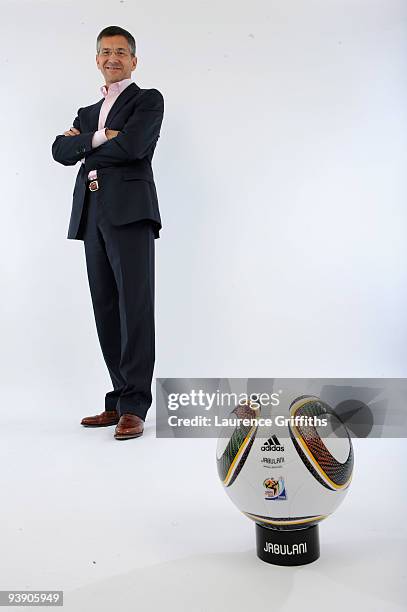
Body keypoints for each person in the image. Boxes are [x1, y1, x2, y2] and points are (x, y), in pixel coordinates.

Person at [52, 25, 164, 440]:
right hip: (91, 210)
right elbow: (60, 152)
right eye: (105, 52)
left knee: (134, 305)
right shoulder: (86, 113)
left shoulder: (147, 101)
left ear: (133, 60)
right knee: (105, 306)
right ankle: (118, 400)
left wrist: (86, 146)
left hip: (130, 211)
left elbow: (134, 148)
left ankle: (135, 404)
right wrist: (100, 136)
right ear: (97, 59)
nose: (112, 58)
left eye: (120, 52)